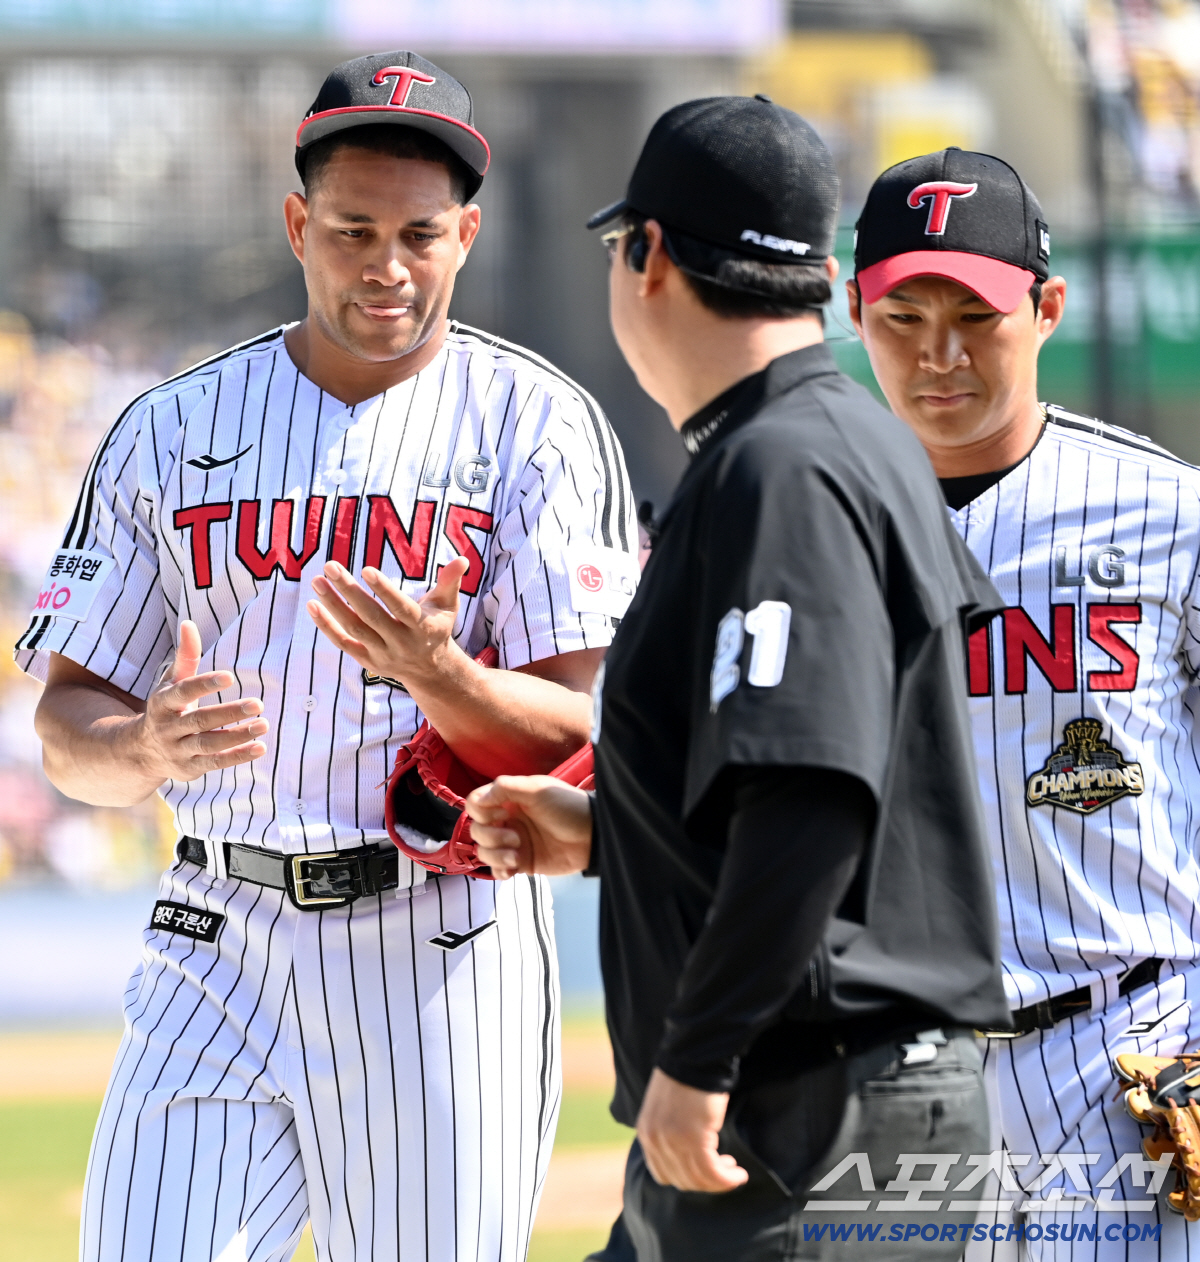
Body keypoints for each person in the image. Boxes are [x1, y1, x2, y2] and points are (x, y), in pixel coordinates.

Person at [19, 50, 636, 1262]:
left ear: (465, 233)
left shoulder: (535, 423)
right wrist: (141, 741)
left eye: (419, 232)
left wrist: (440, 673)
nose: (387, 265)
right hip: (214, 932)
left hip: (438, 943)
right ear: (300, 223)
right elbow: (66, 729)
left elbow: (585, 737)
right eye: (354, 228)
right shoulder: (169, 428)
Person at [465, 97, 1012, 1262]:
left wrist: (697, 1059)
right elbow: (840, 769)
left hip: (806, 1106)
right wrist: (619, 828)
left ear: (648, 254)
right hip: (829, 1096)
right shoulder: (837, 440)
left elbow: (812, 794)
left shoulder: (785, 467)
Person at [846, 147, 1200, 1256]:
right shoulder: (802, 519)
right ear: (852, 311)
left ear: (1045, 307)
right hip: (896, 1075)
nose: (937, 353)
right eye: (903, 316)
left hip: (1129, 1047)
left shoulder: (1164, 513)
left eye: (977, 314)